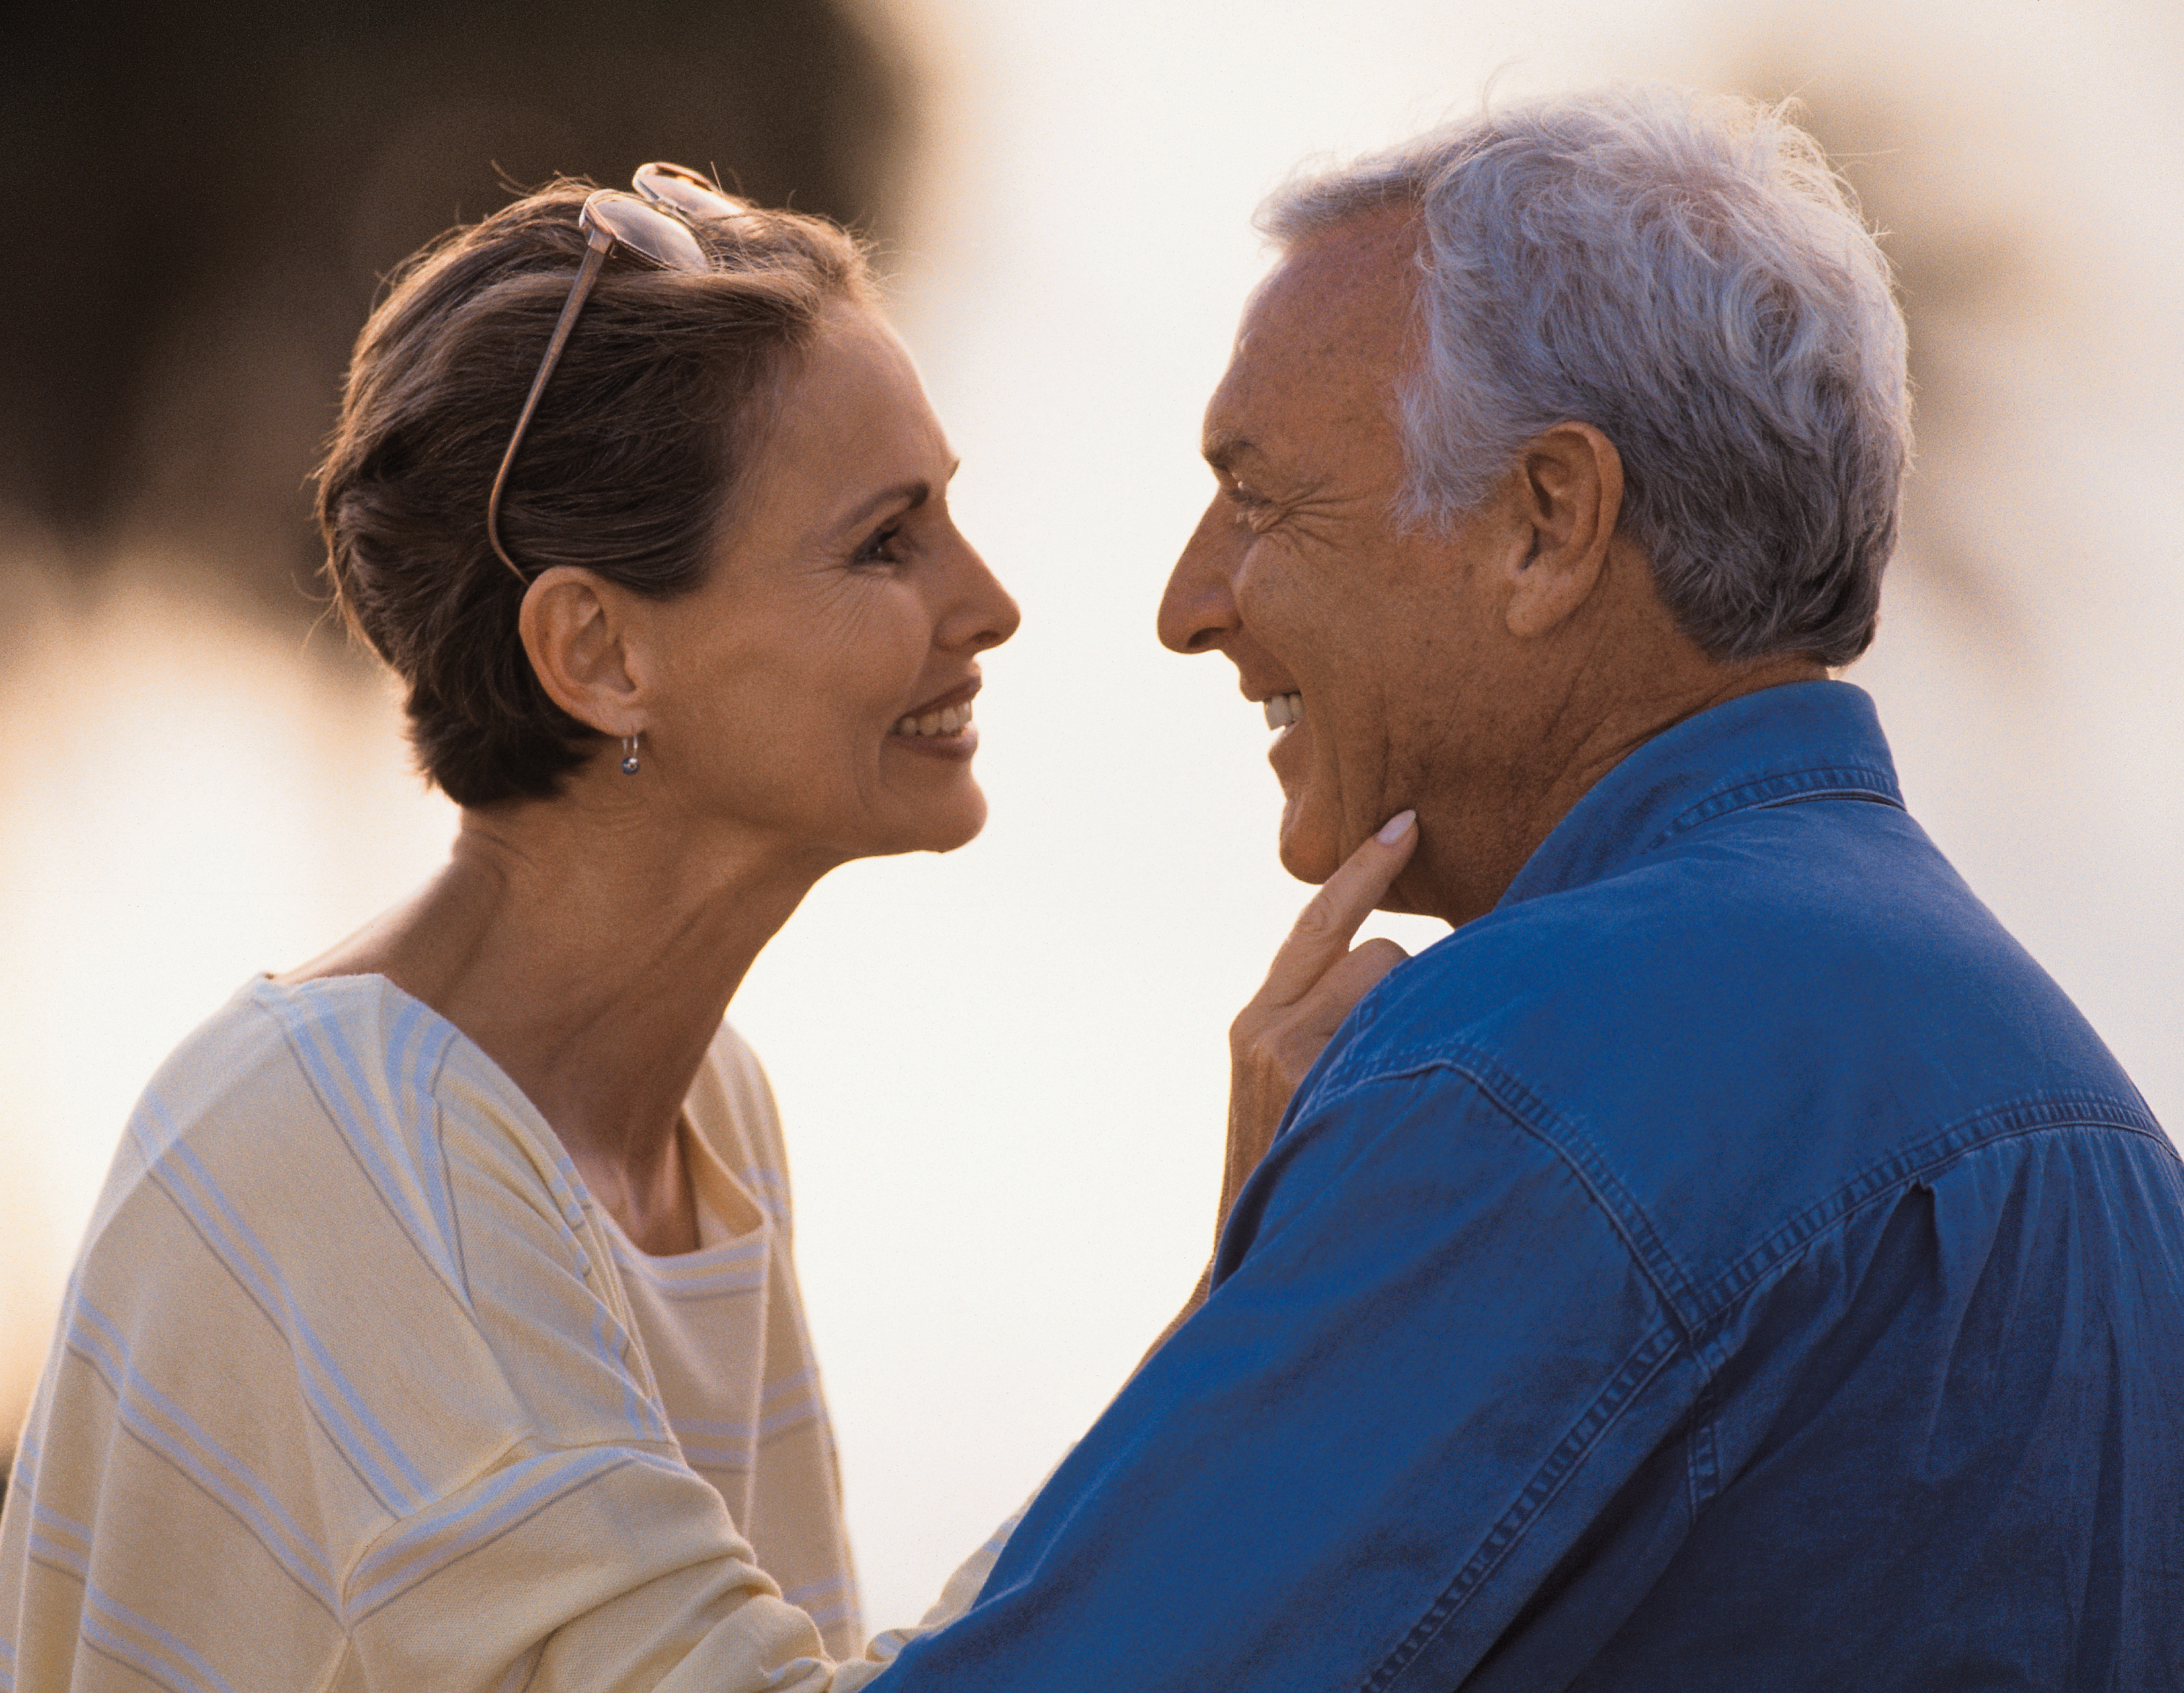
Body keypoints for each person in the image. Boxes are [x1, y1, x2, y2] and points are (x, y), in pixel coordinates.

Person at [858, 89, 2184, 1688]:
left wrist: (1262, 1279)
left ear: (1547, 523)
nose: (1188, 603)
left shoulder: (1532, 1062)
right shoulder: (2104, 1138)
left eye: (1260, 499)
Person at [0, 165, 1041, 1692]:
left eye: (947, 513)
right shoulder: (350, 1143)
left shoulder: (707, 1118)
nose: (990, 601)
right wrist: (1240, 1337)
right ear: (598, 650)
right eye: (887, 542)